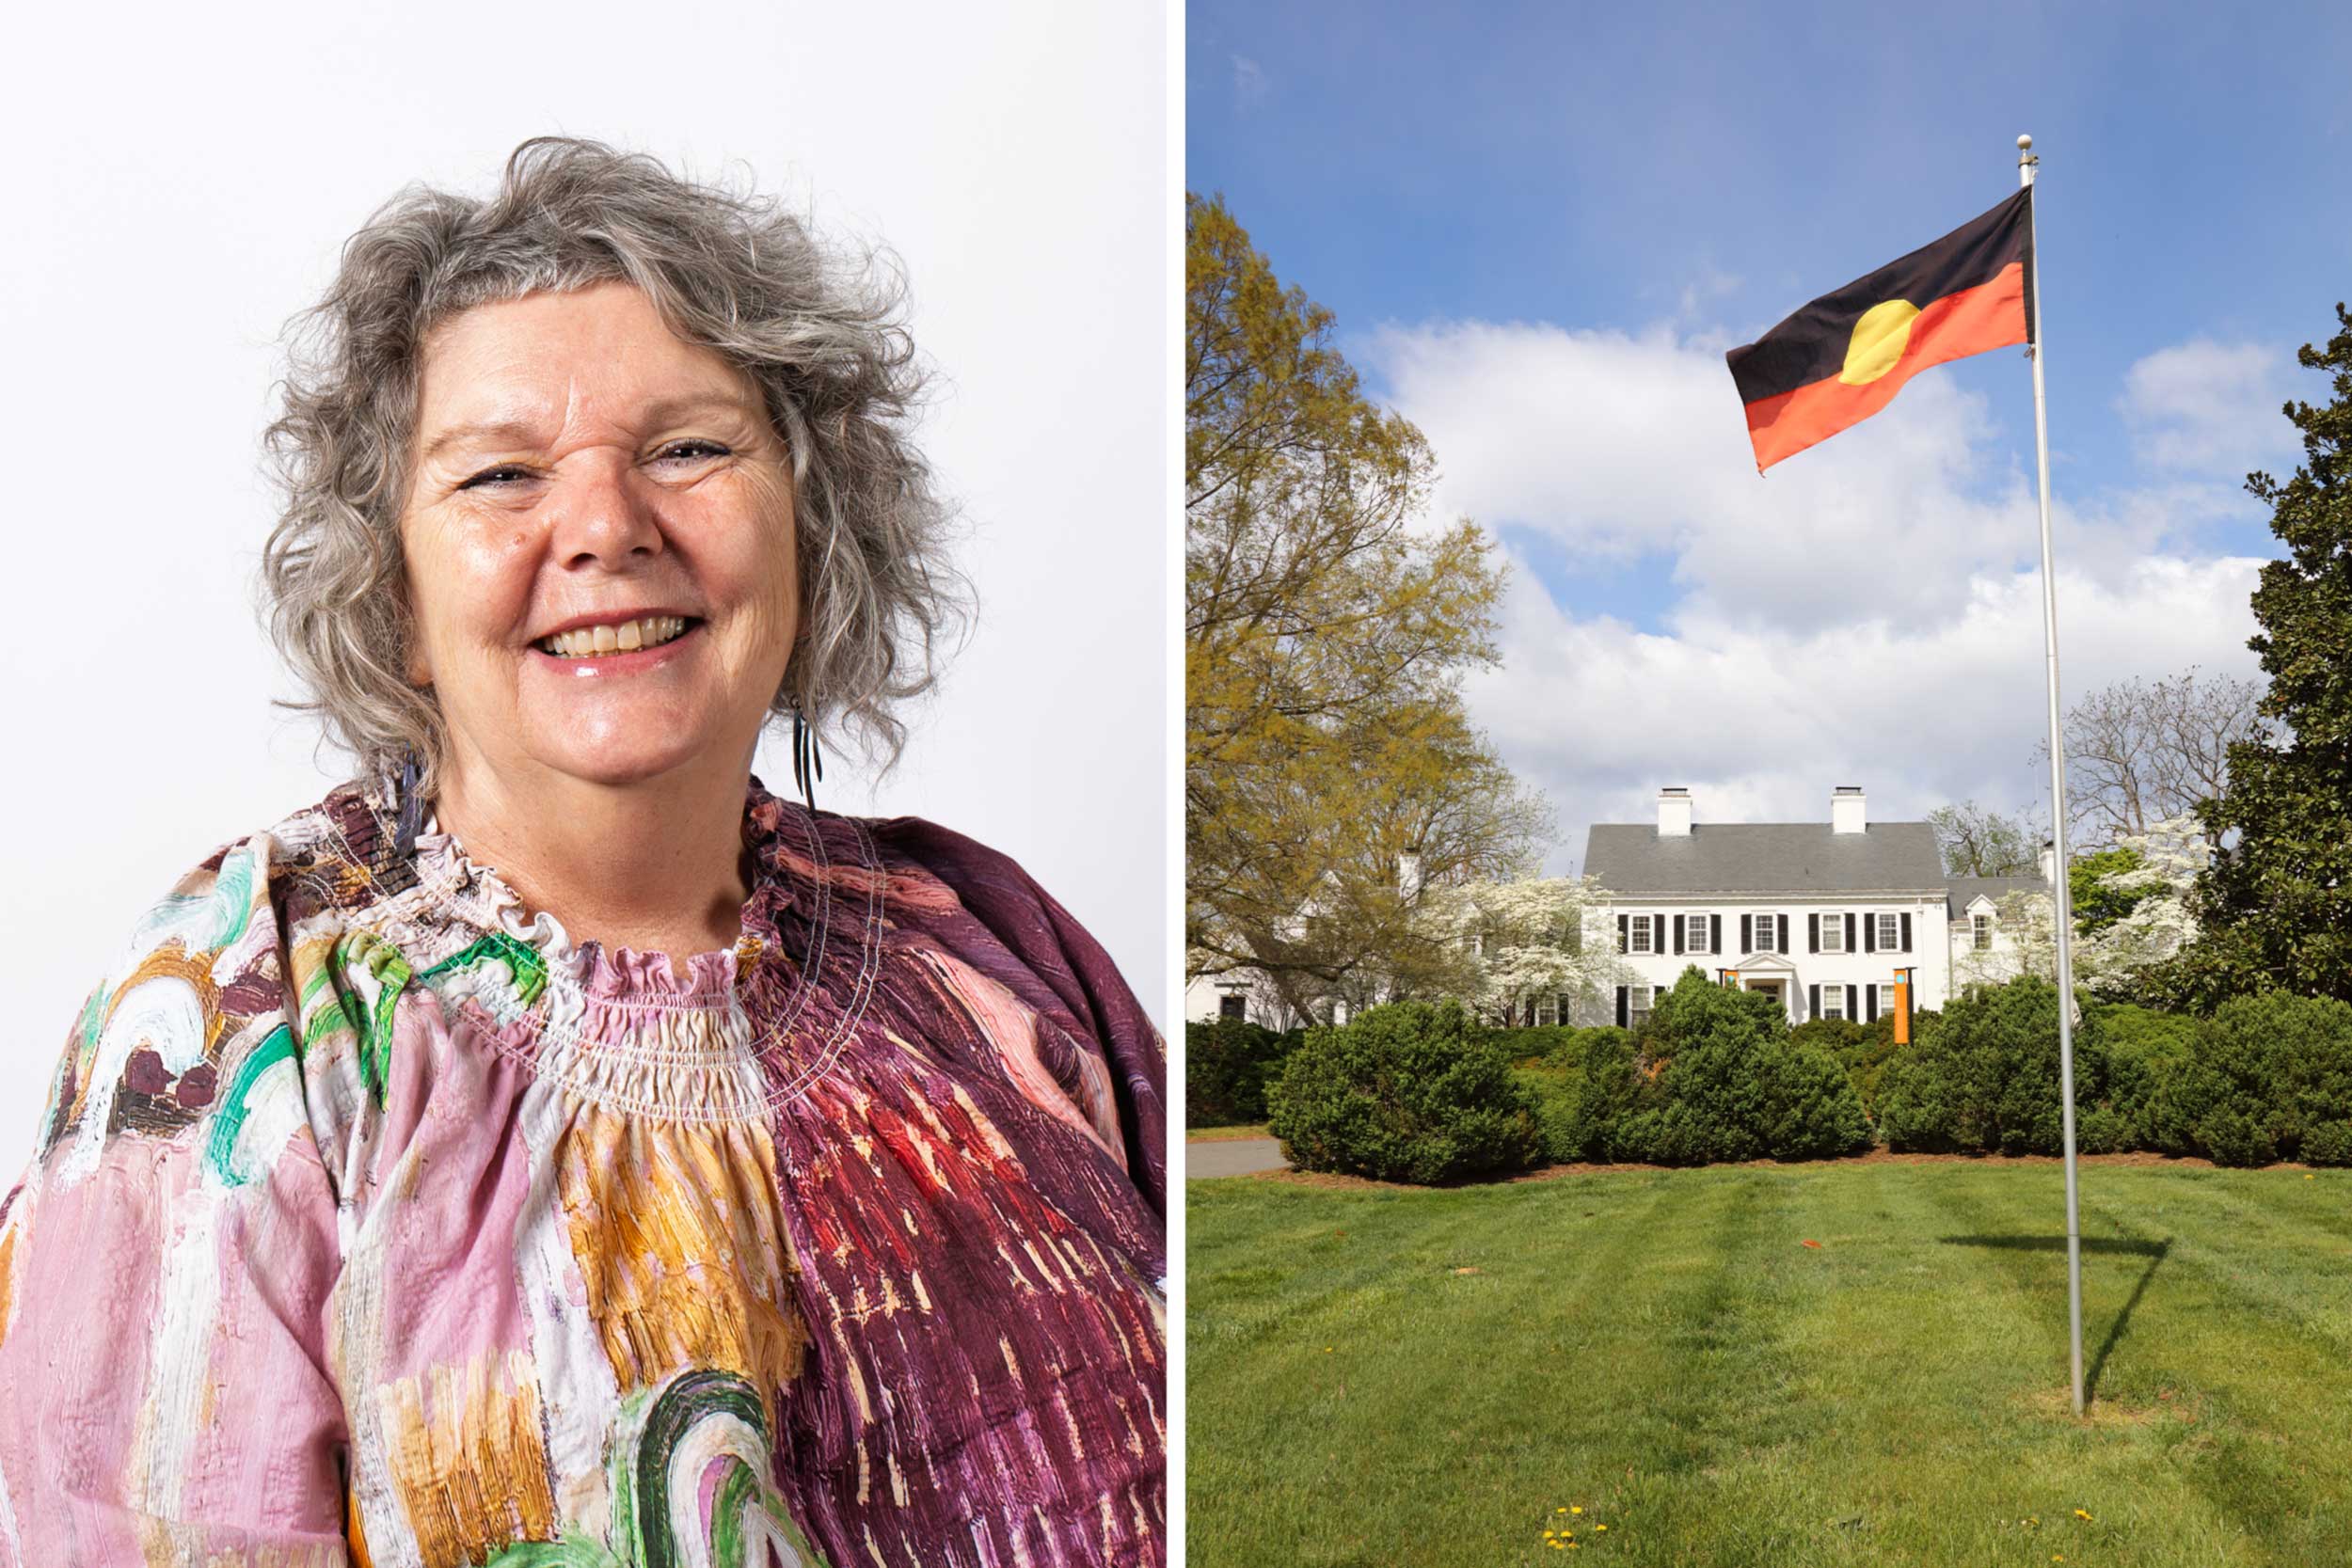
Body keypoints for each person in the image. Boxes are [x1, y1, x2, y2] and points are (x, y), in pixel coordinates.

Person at [0, 138, 1165, 1567]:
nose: (606, 527)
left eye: (687, 448)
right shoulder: (233, 1031)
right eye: (500, 474)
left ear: (813, 526)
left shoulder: (990, 942)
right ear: (396, 597)